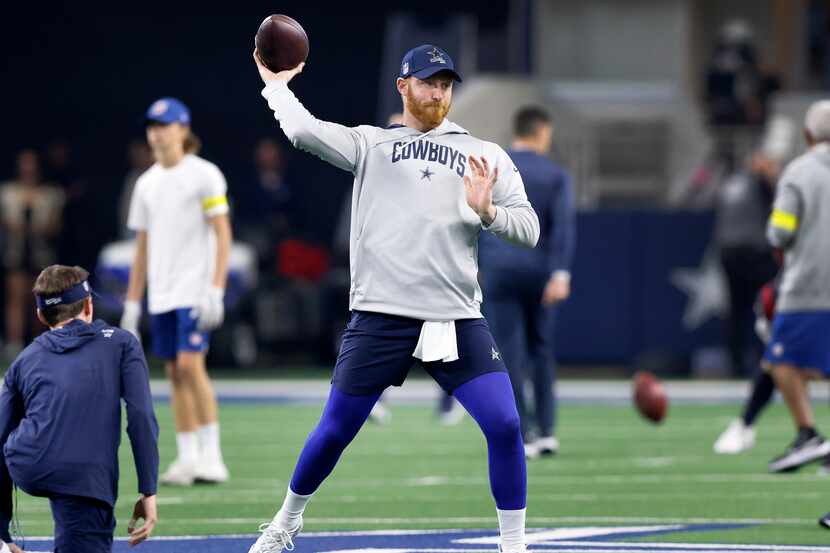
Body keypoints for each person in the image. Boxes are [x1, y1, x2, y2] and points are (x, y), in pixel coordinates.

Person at [249, 43, 540, 553]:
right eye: (428, 81)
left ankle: (513, 545)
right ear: (402, 85)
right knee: (336, 430)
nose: (439, 91)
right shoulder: (371, 143)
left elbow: (530, 230)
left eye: (446, 83)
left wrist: (489, 211)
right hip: (382, 314)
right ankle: (285, 522)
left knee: (505, 422)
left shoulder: (485, 154)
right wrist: (276, 85)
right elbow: (302, 131)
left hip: (453, 316)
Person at [0, 264, 159, 551]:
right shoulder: (121, 344)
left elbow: (0, 437)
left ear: (40, 316)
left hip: (26, 461)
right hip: (82, 474)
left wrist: (2, 529)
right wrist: (148, 489)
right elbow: (141, 417)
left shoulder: (24, 359)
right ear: (88, 305)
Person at [120, 97, 233, 486]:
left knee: (190, 366)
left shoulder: (205, 174)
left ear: (183, 129)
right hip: (162, 294)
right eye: (152, 126)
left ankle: (212, 456)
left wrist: (216, 289)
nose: (156, 133)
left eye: (164, 125)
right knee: (172, 371)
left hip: (195, 289)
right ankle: (187, 458)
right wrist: (132, 305)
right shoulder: (146, 184)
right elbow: (142, 248)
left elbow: (222, 233)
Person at [479, 106, 575, 459]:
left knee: (507, 354)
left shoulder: (493, 166)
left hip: (499, 268)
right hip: (539, 270)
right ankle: (548, 430)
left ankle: (525, 432)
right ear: (541, 132)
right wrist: (560, 273)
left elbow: (476, 215)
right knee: (542, 350)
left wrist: (476, 264)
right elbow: (563, 227)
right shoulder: (554, 173)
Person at [763, 100, 830, 475]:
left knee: (781, 362)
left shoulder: (800, 172)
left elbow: (780, 231)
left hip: (810, 286)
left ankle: (808, 432)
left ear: (807, 135)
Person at [0, 150, 64, 358]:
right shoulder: (7, 192)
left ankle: (39, 342)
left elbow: (56, 225)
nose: (28, 169)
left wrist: (42, 228)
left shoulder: (51, 194)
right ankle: (14, 343)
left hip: (40, 253)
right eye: (24, 164)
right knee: (15, 298)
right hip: (16, 252)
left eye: (32, 164)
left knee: (39, 300)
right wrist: (14, 226)